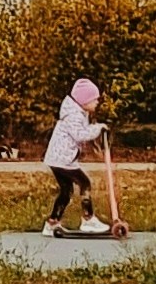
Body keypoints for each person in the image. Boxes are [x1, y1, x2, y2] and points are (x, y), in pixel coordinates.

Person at [41, 77, 108, 234]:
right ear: (84, 101)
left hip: (57, 158)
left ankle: (52, 223)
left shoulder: (76, 112)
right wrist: (98, 128)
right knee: (84, 183)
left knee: (66, 191)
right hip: (63, 159)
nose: (97, 102)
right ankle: (88, 219)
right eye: (94, 99)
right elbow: (80, 134)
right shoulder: (74, 115)